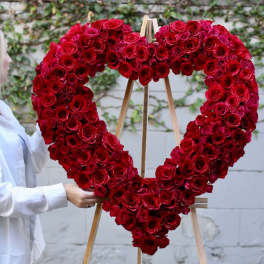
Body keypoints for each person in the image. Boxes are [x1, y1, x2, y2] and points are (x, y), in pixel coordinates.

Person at [0, 30, 101, 264]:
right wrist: (62, 192)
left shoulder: (3, 109)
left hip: (20, 245)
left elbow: (30, 161)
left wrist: (54, 113)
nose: (10, 59)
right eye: (4, 52)